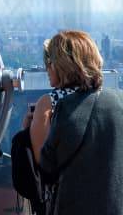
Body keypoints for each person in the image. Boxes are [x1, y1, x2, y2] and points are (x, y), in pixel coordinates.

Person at [22, 29, 123, 214]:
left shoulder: (51, 103)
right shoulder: (119, 99)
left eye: (49, 62)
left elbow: (45, 166)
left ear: (62, 65)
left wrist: (27, 131)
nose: (47, 68)